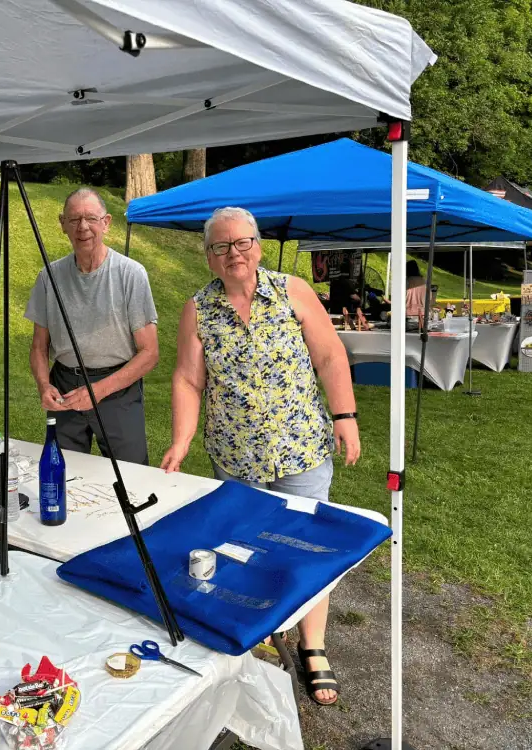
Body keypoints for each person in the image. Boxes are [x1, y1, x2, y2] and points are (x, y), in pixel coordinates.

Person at [160, 206, 361, 706]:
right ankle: (263, 634)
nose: (234, 253)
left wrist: (345, 416)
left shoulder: (293, 291)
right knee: (245, 545)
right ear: (208, 256)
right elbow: (188, 378)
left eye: (242, 242)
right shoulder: (199, 309)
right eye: (221, 246)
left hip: (301, 450)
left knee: (306, 548)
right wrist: (181, 441)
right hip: (235, 456)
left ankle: (313, 645)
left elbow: (330, 355)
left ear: (259, 244)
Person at [25, 187, 158, 465]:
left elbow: (149, 353)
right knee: (64, 471)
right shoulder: (49, 276)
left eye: (91, 219)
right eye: (74, 220)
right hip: (64, 386)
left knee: (132, 474)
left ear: (106, 223)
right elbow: (39, 347)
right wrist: (43, 384)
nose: (82, 227)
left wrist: (98, 391)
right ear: (63, 225)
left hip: (117, 387)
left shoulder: (130, 274)